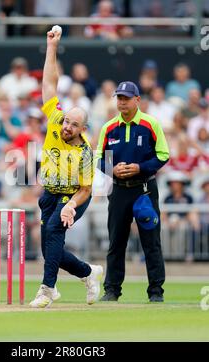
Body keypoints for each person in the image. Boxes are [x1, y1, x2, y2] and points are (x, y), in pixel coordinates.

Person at [29, 26, 103, 308]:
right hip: (50, 193)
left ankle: (48, 290)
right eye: (66, 121)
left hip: (72, 197)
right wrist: (51, 47)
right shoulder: (55, 122)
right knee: (51, 249)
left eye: (74, 124)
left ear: (83, 128)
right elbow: (49, 84)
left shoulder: (85, 151)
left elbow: (86, 189)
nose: (67, 126)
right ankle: (88, 272)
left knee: (54, 234)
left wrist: (71, 205)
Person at [96, 81, 170, 302]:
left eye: (126, 98)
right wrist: (113, 170)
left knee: (151, 242)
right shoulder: (108, 127)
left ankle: (156, 291)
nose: (122, 102)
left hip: (145, 189)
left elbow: (163, 154)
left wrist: (140, 168)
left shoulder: (150, 124)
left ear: (137, 100)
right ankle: (112, 290)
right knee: (116, 242)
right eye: (119, 98)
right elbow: (99, 159)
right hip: (119, 191)